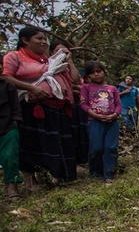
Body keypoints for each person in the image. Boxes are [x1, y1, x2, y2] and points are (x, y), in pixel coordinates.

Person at [1, 26, 81, 188]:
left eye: (45, 39)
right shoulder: (15, 56)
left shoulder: (50, 61)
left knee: (54, 144)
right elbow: (5, 77)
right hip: (30, 108)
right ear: (25, 40)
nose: (44, 42)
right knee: (31, 145)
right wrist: (32, 88)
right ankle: (31, 181)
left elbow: (74, 80)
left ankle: (56, 176)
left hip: (55, 109)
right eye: (39, 38)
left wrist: (69, 60)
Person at [79, 61, 121, 183]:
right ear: (88, 76)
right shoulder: (86, 88)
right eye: (92, 73)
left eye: (99, 71)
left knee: (111, 147)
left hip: (111, 122)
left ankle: (109, 173)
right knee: (96, 148)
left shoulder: (112, 89)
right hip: (94, 122)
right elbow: (83, 104)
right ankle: (95, 173)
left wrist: (114, 115)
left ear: (104, 72)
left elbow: (118, 105)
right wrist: (95, 115)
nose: (96, 74)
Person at [50, 40, 88, 166]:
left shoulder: (67, 66)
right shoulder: (48, 65)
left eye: (64, 50)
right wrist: (73, 87)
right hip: (57, 104)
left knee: (75, 132)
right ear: (51, 52)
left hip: (73, 103)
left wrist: (69, 60)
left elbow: (75, 80)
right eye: (57, 51)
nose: (61, 53)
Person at [0, 65, 23, 198]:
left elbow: (15, 108)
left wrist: (15, 123)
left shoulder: (8, 86)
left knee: (10, 157)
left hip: (8, 127)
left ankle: (12, 185)